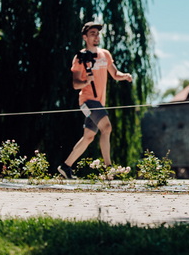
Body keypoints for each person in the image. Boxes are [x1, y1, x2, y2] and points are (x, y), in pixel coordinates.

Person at [57, 21, 133, 179]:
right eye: (92, 34)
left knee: (89, 136)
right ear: (85, 37)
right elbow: (75, 84)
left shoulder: (105, 54)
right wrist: (86, 81)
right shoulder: (80, 57)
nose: (96, 37)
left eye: (98, 34)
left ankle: (65, 166)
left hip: (99, 102)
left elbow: (115, 74)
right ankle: (108, 169)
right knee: (107, 127)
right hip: (87, 101)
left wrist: (124, 76)